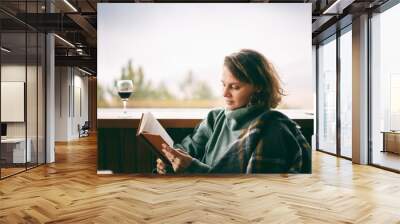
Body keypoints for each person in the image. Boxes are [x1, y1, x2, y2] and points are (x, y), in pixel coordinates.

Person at [157, 49, 311, 174]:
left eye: (235, 87)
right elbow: (185, 149)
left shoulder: (273, 130)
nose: (225, 93)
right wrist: (170, 160)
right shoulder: (215, 118)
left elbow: (256, 191)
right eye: (223, 84)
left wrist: (192, 168)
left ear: (258, 86)